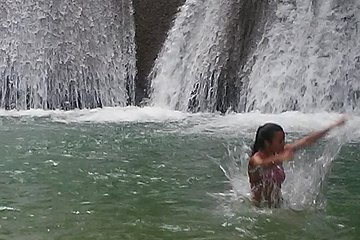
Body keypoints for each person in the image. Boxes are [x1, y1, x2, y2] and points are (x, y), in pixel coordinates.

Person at [248, 117, 347, 208]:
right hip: (259, 209)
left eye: (284, 140)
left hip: (278, 206)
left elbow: (307, 141)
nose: (284, 144)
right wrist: (281, 158)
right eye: (280, 141)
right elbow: (262, 164)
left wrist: (332, 127)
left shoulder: (280, 152)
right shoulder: (256, 159)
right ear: (267, 143)